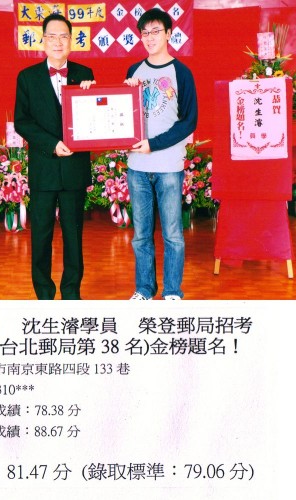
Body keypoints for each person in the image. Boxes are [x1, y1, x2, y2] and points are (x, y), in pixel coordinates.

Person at [14, 13, 95, 300]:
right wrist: (52, 144)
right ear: (43, 40)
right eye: (52, 36)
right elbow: (22, 122)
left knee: (74, 235)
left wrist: (94, 96)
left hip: (74, 168)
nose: (58, 42)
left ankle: (72, 293)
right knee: (41, 235)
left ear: (71, 41)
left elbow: (95, 118)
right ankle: (44, 295)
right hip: (44, 168)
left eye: (63, 36)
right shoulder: (27, 77)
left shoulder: (85, 74)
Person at [124, 8, 198, 301]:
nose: (150, 37)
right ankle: (144, 289)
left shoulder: (182, 72)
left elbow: (189, 121)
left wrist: (153, 144)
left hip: (168, 166)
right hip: (137, 167)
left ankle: (172, 292)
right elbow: (124, 117)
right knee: (141, 235)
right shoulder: (134, 71)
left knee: (173, 235)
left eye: (156, 31)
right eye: (145, 33)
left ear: (169, 34)